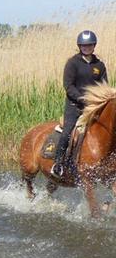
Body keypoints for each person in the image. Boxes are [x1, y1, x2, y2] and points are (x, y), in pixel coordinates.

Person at [50, 30, 108, 179]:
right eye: (83, 45)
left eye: (89, 45)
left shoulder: (99, 65)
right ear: (79, 46)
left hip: (94, 107)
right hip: (74, 106)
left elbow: (104, 86)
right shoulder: (72, 63)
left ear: (94, 46)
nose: (86, 47)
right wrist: (83, 99)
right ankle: (58, 164)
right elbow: (68, 86)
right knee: (68, 132)